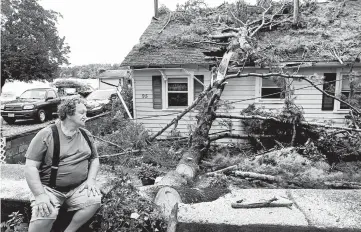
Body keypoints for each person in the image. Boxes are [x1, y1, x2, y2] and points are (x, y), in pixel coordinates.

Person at [24, 98, 101, 232]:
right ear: (68, 114)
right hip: (50, 188)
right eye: (81, 112)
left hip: (78, 188)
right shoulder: (47, 134)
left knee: (94, 201)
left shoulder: (85, 134)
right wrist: (40, 195)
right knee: (45, 214)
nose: (86, 116)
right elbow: (30, 167)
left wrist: (91, 180)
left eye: (86, 112)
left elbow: (94, 159)